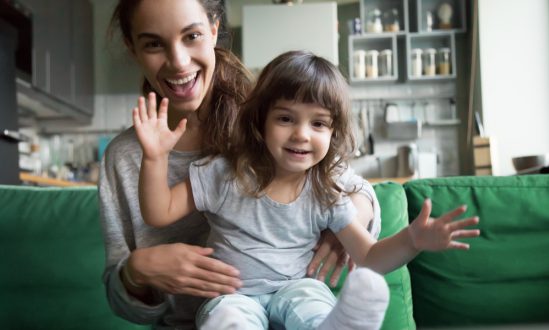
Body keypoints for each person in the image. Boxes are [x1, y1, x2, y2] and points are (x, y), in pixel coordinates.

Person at [134, 50, 480, 329]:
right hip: (233, 295)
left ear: (333, 134)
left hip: (295, 288)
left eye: (318, 123)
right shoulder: (224, 173)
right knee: (227, 320)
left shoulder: (326, 192)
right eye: (286, 118)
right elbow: (158, 211)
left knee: (311, 306)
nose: (301, 134)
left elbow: (369, 257)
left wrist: (412, 240)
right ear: (260, 122)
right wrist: (154, 157)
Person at [99, 1, 380, 328]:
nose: (178, 62)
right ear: (132, 49)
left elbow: (354, 188)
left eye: (191, 36)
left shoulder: (266, 124)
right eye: (153, 43)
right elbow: (123, 303)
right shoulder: (125, 159)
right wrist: (137, 271)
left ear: (214, 30)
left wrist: (343, 219)